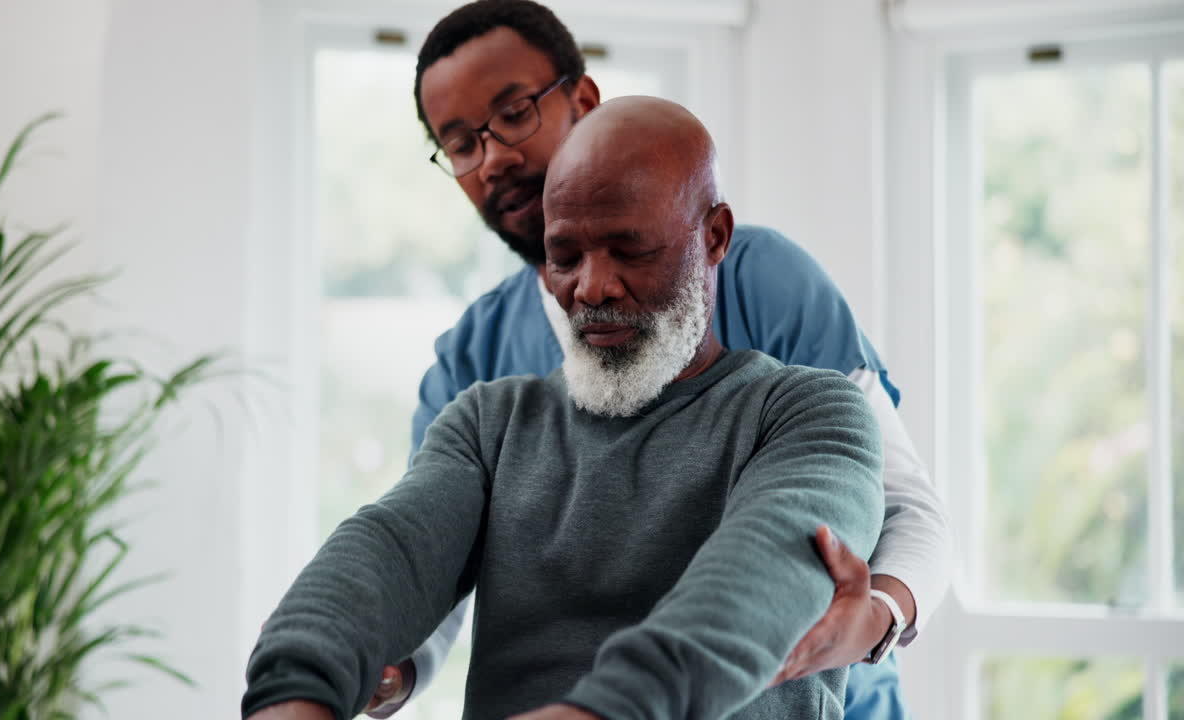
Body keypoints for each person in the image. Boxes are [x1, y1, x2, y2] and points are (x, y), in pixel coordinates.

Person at [362, 2, 952, 718]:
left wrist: (879, 615)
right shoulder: (473, 360)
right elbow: (436, 560)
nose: (493, 159)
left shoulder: (763, 282)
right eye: (460, 143)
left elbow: (908, 507)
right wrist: (387, 662)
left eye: (513, 113)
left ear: (581, 100)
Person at [243, 95, 886, 720]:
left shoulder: (811, 414)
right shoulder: (488, 425)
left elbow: (757, 588)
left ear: (714, 236)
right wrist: (296, 680)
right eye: (565, 256)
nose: (592, 286)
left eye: (631, 249)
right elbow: (390, 551)